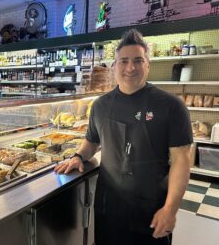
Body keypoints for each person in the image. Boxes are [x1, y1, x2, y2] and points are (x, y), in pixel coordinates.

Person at [54, 29, 192, 245]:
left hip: (152, 209)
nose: (130, 67)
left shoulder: (172, 106)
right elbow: (91, 142)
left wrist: (170, 210)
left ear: (148, 64)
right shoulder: (100, 106)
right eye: (124, 61)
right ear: (114, 66)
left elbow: (182, 160)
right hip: (110, 208)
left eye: (138, 60)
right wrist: (78, 157)